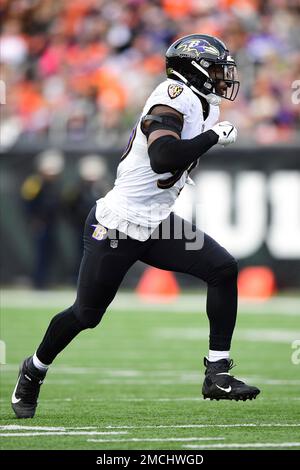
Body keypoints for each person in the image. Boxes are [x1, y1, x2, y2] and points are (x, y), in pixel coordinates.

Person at [12, 34, 260, 419]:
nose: (222, 77)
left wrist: (211, 130)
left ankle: (217, 374)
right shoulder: (173, 95)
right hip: (119, 225)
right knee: (86, 315)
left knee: (223, 268)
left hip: (158, 222)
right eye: (214, 68)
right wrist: (212, 138)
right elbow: (163, 158)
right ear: (192, 69)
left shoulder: (203, 105)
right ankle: (34, 369)